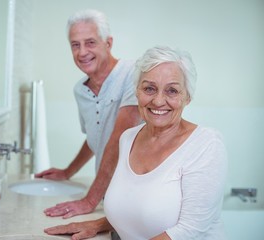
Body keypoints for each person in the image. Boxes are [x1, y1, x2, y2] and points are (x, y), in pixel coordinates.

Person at [43, 46, 228, 239]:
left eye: (172, 91)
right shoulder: (128, 138)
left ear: (187, 97)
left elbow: (189, 230)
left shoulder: (206, 144)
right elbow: (137, 207)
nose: (158, 101)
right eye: (149, 88)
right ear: (137, 92)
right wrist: (100, 224)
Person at [34, 9, 141, 218]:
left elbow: (119, 138)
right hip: (107, 199)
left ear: (108, 43)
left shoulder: (133, 74)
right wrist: (68, 171)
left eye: (90, 42)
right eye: (75, 44)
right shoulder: (80, 90)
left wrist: (89, 200)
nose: (82, 52)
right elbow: (95, 137)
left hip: (135, 199)